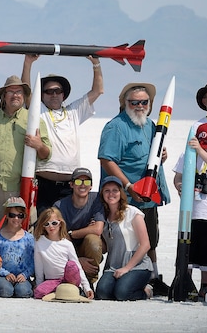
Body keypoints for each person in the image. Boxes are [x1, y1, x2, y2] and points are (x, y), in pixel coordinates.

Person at [98, 82, 170, 296]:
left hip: (148, 196)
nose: (139, 105)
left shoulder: (150, 125)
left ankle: (153, 278)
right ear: (125, 103)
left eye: (144, 102)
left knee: (150, 239)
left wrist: (161, 157)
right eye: (134, 102)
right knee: (123, 239)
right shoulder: (116, 127)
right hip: (125, 197)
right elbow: (107, 159)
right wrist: (128, 186)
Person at [21, 55, 104, 213]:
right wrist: (28, 63)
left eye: (57, 91)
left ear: (63, 94)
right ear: (42, 95)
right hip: (44, 183)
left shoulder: (74, 111)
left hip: (69, 185)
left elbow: (97, 90)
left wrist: (96, 63)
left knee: (64, 226)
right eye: (48, 91)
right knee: (43, 224)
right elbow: (26, 93)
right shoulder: (40, 111)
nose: (53, 94)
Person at [0, 76, 52, 232]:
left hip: (20, 187)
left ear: (24, 96)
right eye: (11, 91)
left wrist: (38, 145)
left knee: (20, 232)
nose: (15, 95)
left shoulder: (33, 119)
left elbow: (46, 154)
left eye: (19, 92)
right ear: (4, 96)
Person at [172, 122, 207, 299]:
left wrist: (201, 151)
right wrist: (180, 186)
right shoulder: (187, 153)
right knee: (188, 248)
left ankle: (206, 283)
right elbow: (178, 176)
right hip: (190, 210)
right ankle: (186, 282)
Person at [96, 176, 152, 301]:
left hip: (137, 265)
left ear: (120, 193)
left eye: (115, 190)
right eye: (107, 190)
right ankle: (120, 285)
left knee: (122, 293)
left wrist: (127, 268)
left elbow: (145, 245)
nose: (111, 194)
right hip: (113, 265)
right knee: (102, 293)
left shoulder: (132, 213)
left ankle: (146, 291)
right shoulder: (102, 217)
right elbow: (105, 248)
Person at [54, 167, 105, 287]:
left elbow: (97, 229)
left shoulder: (97, 199)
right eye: (78, 181)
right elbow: (58, 236)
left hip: (84, 248)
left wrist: (71, 233)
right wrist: (77, 260)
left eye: (86, 182)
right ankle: (71, 280)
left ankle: (89, 282)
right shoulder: (59, 206)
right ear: (71, 185)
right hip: (65, 251)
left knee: (93, 240)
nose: (82, 185)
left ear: (91, 186)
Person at [33, 207, 93, 300]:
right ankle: (62, 291)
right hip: (52, 280)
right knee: (39, 292)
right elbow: (39, 266)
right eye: (46, 224)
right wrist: (39, 284)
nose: (51, 227)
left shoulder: (67, 244)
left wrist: (87, 287)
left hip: (69, 279)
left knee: (71, 265)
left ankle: (76, 290)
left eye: (54, 223)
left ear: (60, 223)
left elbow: (77, 266)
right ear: (43, 226)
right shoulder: (39, 242)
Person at [0, 197, 35, 298]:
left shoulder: (29, 238)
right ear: (6, 216)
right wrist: (5, 273)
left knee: (23, 292)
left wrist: (25, 274)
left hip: (22, 277)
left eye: (20, 216)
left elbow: (33, 261)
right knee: (5, 291)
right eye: (12, 215)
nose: (16, 219)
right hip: (2, 276)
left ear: (24, 217)